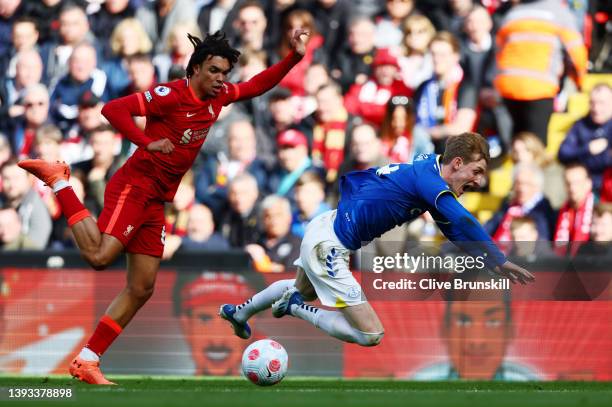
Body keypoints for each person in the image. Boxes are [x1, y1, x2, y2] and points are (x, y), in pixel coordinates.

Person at [18, 28, 309, 385]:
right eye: (214, 71)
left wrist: (294, 57)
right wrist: (147, 142)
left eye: (225, 73)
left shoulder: (218, 99)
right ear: (197, 68)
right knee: (99, 257)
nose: (221, 79)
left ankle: (86, 360)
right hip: (135, 186)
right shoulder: (171, 94)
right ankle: (59, 180)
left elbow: (256, 86)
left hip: (157, 199)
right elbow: (114, 109)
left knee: (142, 288)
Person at [221, 132, 534, 347]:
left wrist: (484, 259)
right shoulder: (428, 181)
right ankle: (294, 308)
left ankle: (239, 313)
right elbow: (463, 219)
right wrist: (498, 259)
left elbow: (451, 227)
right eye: (476, 171)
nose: (478, 181)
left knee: (301, 287)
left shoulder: (428, 164)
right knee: (370, 334)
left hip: (325, 225)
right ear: (456, 164)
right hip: (329, 245)